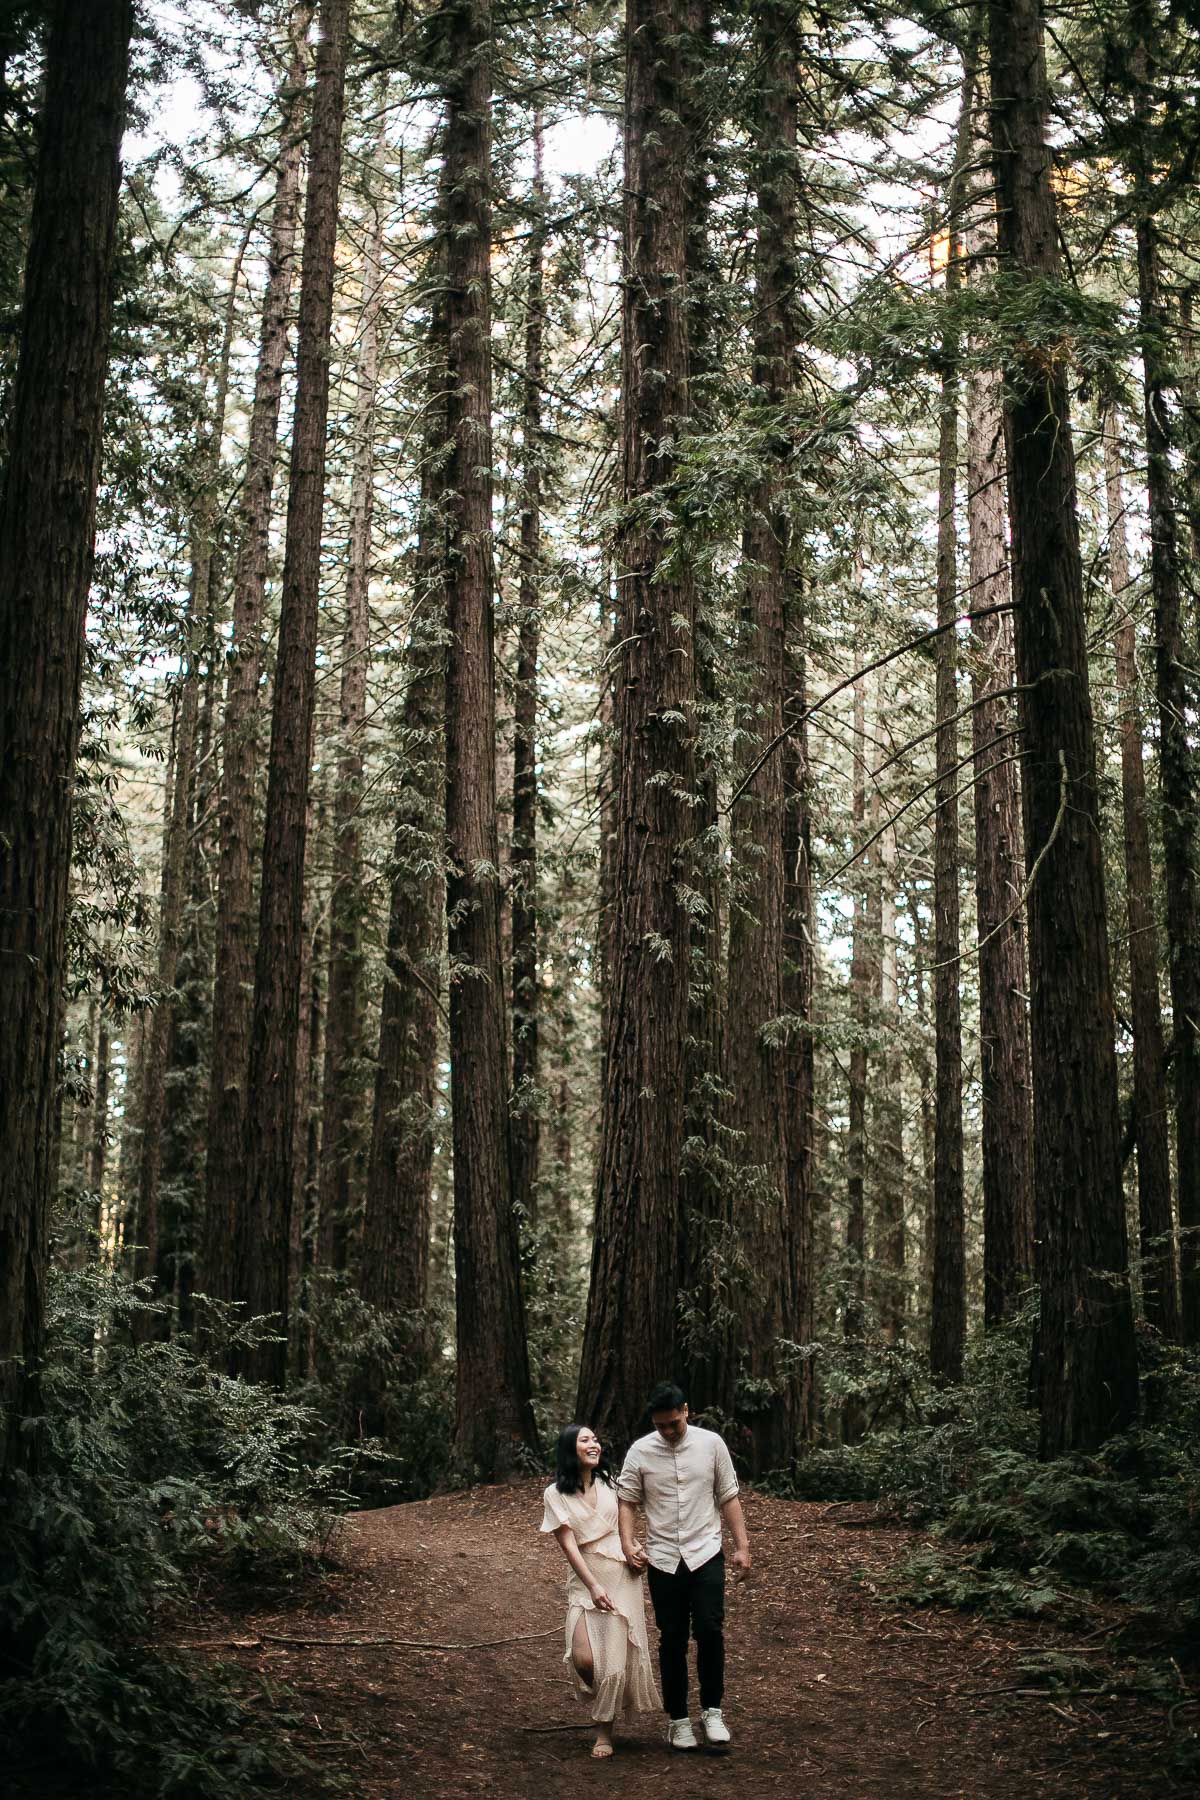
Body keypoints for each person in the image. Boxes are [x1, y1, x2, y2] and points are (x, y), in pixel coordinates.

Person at [617, 1381, 750, 1754]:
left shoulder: (711, 1445)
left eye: (674, 1423)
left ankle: (712, 1711)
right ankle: (677, 1720)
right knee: (672, 1639)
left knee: (709, 1629)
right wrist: (627, 1543)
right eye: (661, 1426)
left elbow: (729, 1496)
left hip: (706, 1552)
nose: (669, 1431)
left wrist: (742, 1546)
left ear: (686, 1411)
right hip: (663, 1559)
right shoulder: (640, 1452)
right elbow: (626, 1500)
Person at [540, 1424, 661, 1758]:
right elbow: (568, 1546)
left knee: (612, 1657)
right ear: (569, 1449)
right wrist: (592, 1585)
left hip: (622, 1574)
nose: (594, 1444)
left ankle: (603, 1733)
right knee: (584, 1658)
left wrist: (635, 1549)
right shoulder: (555, 1494)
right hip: (585, 1578)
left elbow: (627, 1526)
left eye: (595, 1439)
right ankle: (607, 1699)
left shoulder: (612, 1483)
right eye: (585, 1440)